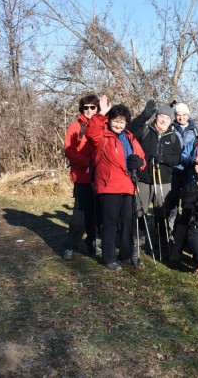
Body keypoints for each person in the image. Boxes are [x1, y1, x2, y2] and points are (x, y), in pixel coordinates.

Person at [85, 95, 146, 271]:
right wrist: (100, 114)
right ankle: (109, 257)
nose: (119, 125)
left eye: (122, 122)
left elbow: (141, 157)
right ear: (110, 120)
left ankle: (125, 255)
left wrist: (139, 163)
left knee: (127, 221)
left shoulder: (129, 137)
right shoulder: (102, 135)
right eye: (116, 121)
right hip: (109, 185)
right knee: (110, 222)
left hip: (128, 186)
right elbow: (90, 133)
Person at [127, 102, 182, 256]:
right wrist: (144, 115)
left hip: (164, 182)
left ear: (171, 121)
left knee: (162, 214)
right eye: (161, 116)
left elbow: (177, 158)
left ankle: (162, 246)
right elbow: (128, 131)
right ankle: (137, 244)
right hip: (143, 179)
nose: (164, 120)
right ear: (156, 117)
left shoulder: (173, 137)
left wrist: (163, 158)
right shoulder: (144, 130)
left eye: (167, 118)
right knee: (139, 212)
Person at [63, 94, 100, 260]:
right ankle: (70, 245)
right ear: (82, 109)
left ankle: (91, 242)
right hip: (83, 177)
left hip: (100, 178)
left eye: (93, 107)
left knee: (95, 214)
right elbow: (69, 151)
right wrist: (87, 163)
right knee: (79, 215)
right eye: (86, 107)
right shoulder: (76, 126)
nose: (90, 110)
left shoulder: (103, 124)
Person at [168, 102, 198, 233]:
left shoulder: (195, 130)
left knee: (188, 202)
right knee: (172, 202)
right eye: (178, 115)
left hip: (189, 171)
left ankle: (186, 231)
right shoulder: (170, 128)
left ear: (188, 115)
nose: (181, 118)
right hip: (174, 170)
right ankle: (172, 230)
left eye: (184, 115)